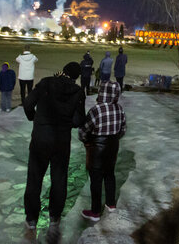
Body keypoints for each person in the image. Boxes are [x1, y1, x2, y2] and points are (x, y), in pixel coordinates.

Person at [23, 62, 86, 232]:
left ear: (63, 70)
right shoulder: (78, 92)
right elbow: (78, 120)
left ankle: (31, 219)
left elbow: (28, 103)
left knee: (35, 178)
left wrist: (35, 119)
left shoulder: (46, 83)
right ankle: (54, 217)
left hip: (40, 138)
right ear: (76, 77)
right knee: (59, 179)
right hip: (61, 141)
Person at [79, 80, 126, 222]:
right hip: (112, 147)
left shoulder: (96, 110)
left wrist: (86, 141)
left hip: (97, 149)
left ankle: (95, 212)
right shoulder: (119, 109)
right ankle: (111, 204)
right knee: (110, 174)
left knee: (96, 179)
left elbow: (83, 131)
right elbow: (123, 130)